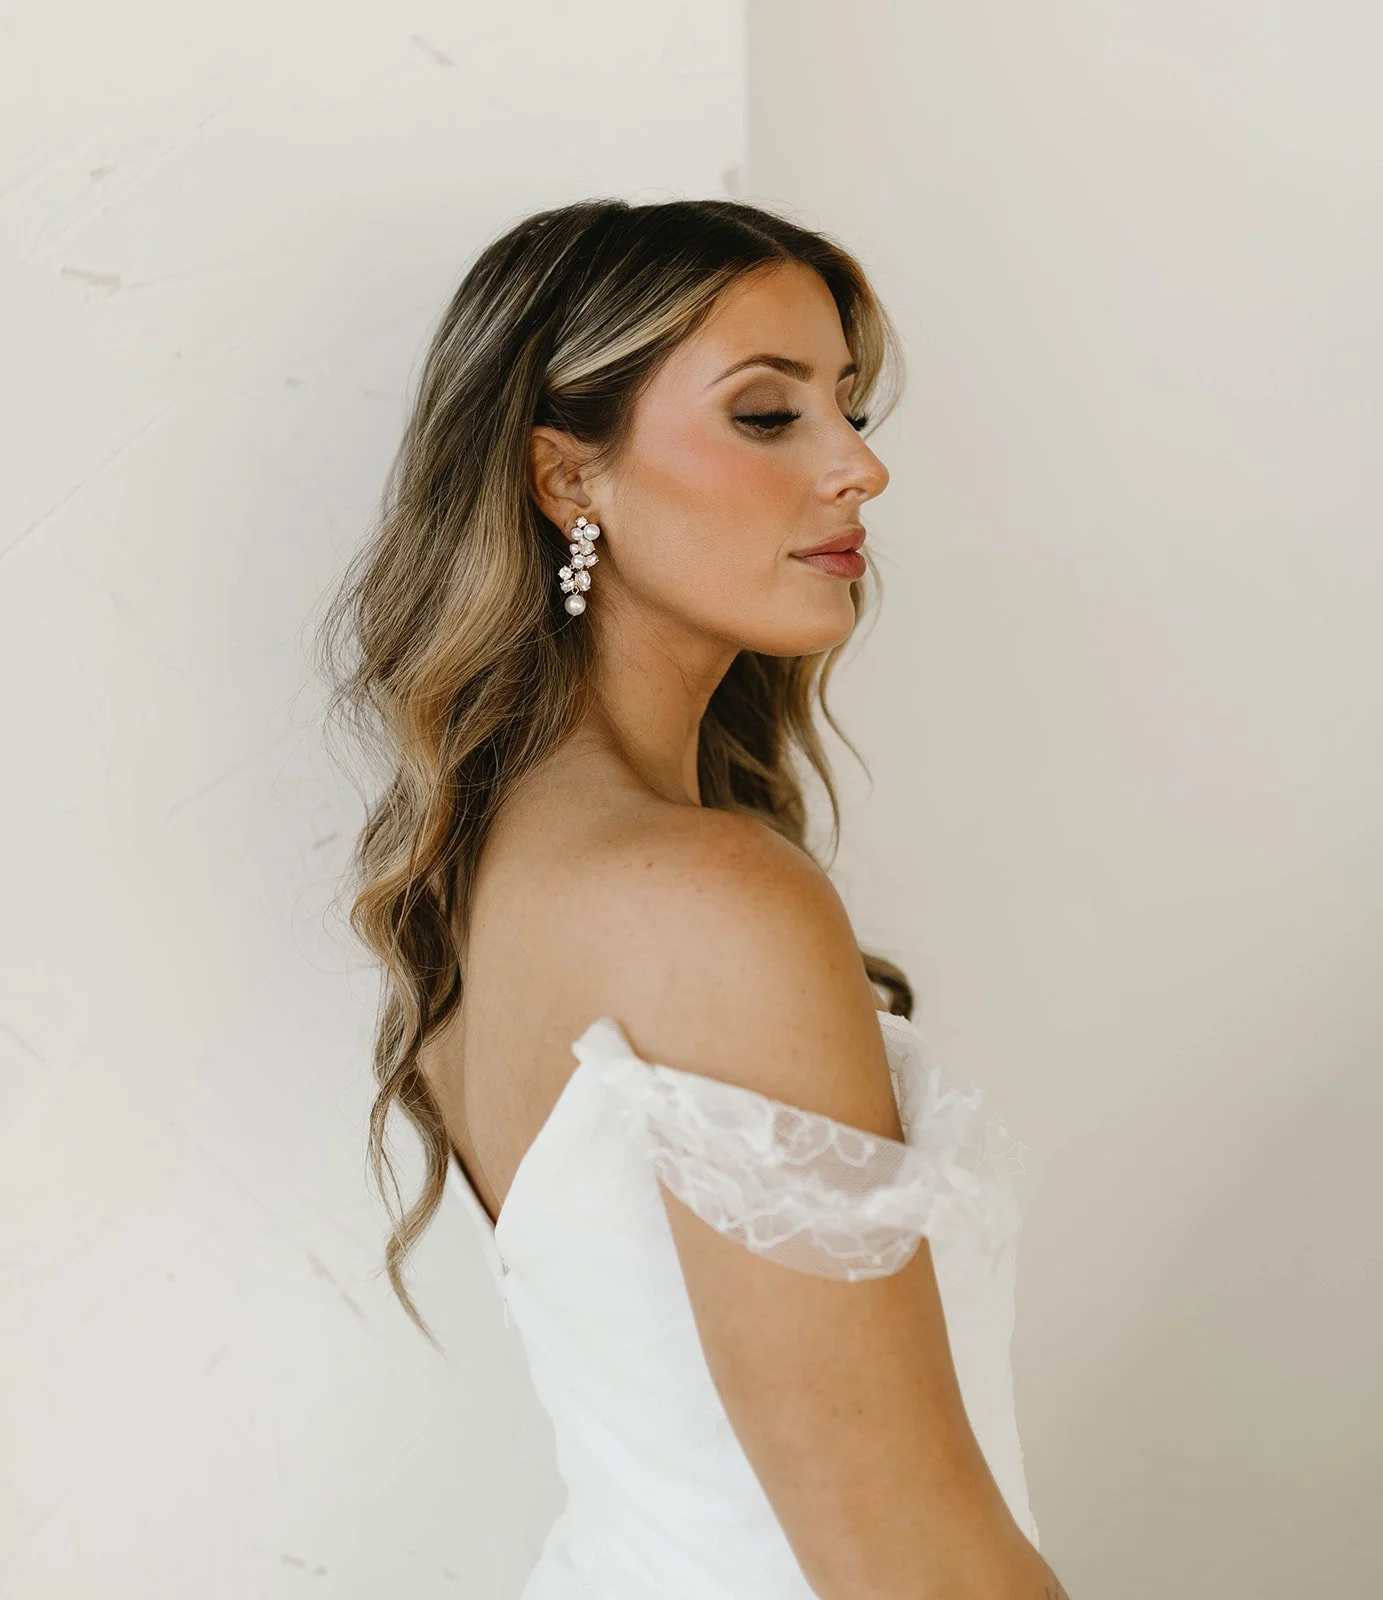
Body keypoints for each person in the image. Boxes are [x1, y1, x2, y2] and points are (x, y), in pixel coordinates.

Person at [316, 197, 1071, 1600]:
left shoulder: (515, 871)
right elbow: (903, 1556)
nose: (859, 469)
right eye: (767, 415)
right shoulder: (706, 897)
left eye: (846, 406)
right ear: (567, 481)